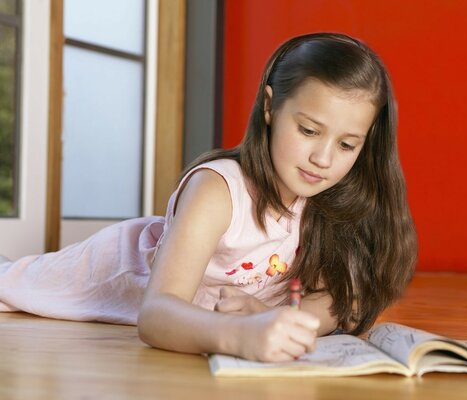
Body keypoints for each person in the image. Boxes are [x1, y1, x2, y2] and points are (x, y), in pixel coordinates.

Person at [0, 32, 417, 362]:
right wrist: (240, 335)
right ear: (270, 108)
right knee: (10, 284)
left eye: (347, 145)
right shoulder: (218, 189)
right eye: (308, 131)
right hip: (113, 268)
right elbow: (157, 315)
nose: (323, 158)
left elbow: (343, 298)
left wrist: (281, 318)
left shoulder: (332, 199)